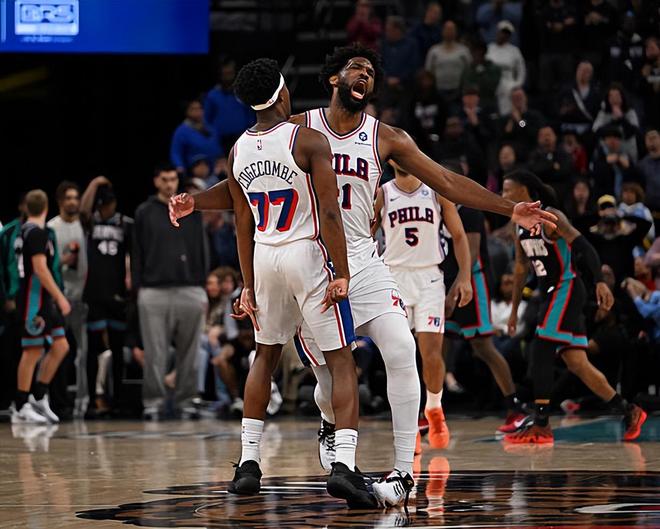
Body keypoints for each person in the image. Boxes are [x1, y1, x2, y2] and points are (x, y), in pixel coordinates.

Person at [170, 44, 555, 507]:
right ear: (335, 78)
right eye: (357, 68)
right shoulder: (298, 128)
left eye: (371, 72)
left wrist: (510, 208)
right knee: (330, 383)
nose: (365, 75)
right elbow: (244, 185)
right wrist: (197, 202)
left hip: (364, 262)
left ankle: (403, 472)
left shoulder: (387, 137)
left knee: (401, 348)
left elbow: (447, 181)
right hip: (314, 260)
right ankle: (329, 425)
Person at [221, 58, 375, 508]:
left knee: (264, 355)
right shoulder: (307, 140)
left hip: (264, 255)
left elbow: (241, 223)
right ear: (283, 93)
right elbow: (329, 213)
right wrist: (342, 272)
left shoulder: (237, 150)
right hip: (305, 253)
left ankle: (249, 462)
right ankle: (344, 464)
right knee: (341, 360)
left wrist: (247, 284)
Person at [503, 170, 647, 444]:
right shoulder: (517, 222)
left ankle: (541, 424)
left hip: (566, 287)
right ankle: (629, 410)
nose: (503, 195)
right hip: (549, 292)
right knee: (577, 363)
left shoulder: (550, 216)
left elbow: (584, 246)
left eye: (507, 189)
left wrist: (600, 281)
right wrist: (513, 311)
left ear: (524, 190)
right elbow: (521, 268)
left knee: (541, 348)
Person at [373, 160, 473, 450]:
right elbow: (364, 235)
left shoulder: (436, 192)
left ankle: (434, 408)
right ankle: (409, 425)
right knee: (400, 356)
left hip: (429, 277)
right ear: (391, 160)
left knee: (431, 352)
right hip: (394, 277)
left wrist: (464, 277)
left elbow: (459, 235)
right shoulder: (383, 193)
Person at [442, 200, 525, 436]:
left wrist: (453, 292)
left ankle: (515, 408)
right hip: (444, 281)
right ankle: (431, 410)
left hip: (471, 281)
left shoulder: (469, 210)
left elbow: (471, 253)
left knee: (483, 347)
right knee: (438, 346)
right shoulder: (435, 206)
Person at [133, 164, 208, 420]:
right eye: (164, 179)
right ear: (156, 181)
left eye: (173, 179)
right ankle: (153, 402)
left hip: (190, 288)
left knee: (191, 351)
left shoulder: (190, 210)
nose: (169, 184)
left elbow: (202, 248)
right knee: (155, 351)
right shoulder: (144, 212)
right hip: (153, 290)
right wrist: (138, 287)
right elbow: (136, 252)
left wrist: (201, 285)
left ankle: (186, 400)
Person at [11, 190, 71, 423]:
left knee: (61, 345)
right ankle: (20, 405)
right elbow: (40, 269)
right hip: (32, 300)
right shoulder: (36, 233)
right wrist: (60, 297)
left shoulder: (23, 230)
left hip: (43, 300)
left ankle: (38, 395)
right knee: (32, 351)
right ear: (47, 207)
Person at [80, 176, 133, 416]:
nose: (106, 209)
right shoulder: (90, 222)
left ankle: (119, 400)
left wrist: (131, 281)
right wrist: (93, 184)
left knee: (118, 350)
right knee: (94, 349)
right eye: (102, 205)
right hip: (94, 293)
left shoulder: (125, 223)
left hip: (117, 293)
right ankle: (93, 399)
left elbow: (133, 256)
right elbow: (83, 210)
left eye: (109, 205)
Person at [47, 181, 88, 418]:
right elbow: (45, 265)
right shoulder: (51, 228)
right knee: (59, 351)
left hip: (83, 298)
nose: (73, 202)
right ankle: (57, 403)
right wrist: (63, 261)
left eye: (76, 197)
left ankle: (83, 403)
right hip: (58, 298)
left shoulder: (85, 226)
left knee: (84, 354)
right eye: (68, 198)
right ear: (60, 201)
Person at [204, 57, 255, 155]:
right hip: (221, 142)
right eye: (225, 73)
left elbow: (251, 116)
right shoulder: (212, 95)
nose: (228, 76)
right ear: (220, 74)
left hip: (242, 139)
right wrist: (214, 138)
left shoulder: (242, 93)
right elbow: (206, 120)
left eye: (230, 73)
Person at [170, 99, 224, 174]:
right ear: (187, 111)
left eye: (200, 108)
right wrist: (179, 166)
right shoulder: (181, 131)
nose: (197, 111)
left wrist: (221, 160)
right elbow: (176, 153)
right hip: (195, 170)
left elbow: (217, 146)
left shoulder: (210, 126)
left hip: (215, 168)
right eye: (193, 109)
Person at [424, 20, 471, 103]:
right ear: (442, 31)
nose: (449, 32)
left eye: (452, 29)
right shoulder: (434, 51)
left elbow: (469, 69)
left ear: (456, 32)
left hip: (458, 90)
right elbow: (428, 70)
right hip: (438, 90)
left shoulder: (463, 51)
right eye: (447, 29)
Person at [592, 84, 641, 162]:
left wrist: (621, 119)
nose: (614, 99)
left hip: (627, 151)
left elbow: (634, 132)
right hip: (608, 153)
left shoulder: (630, 112)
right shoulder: (603, 113)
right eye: (611, 96)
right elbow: (596, 131)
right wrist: (613, 121)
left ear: (622, 98)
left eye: (617, 96)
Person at [486, 20, 525, 116]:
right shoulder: (489, 48)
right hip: (491, 83)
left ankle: (519, 122)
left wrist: (517, 85)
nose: (504, 35)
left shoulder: (514, 50)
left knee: (516, 113)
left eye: (507, 34)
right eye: (502, 32)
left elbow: (521, 71)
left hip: (509, 84)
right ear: (497, 32)